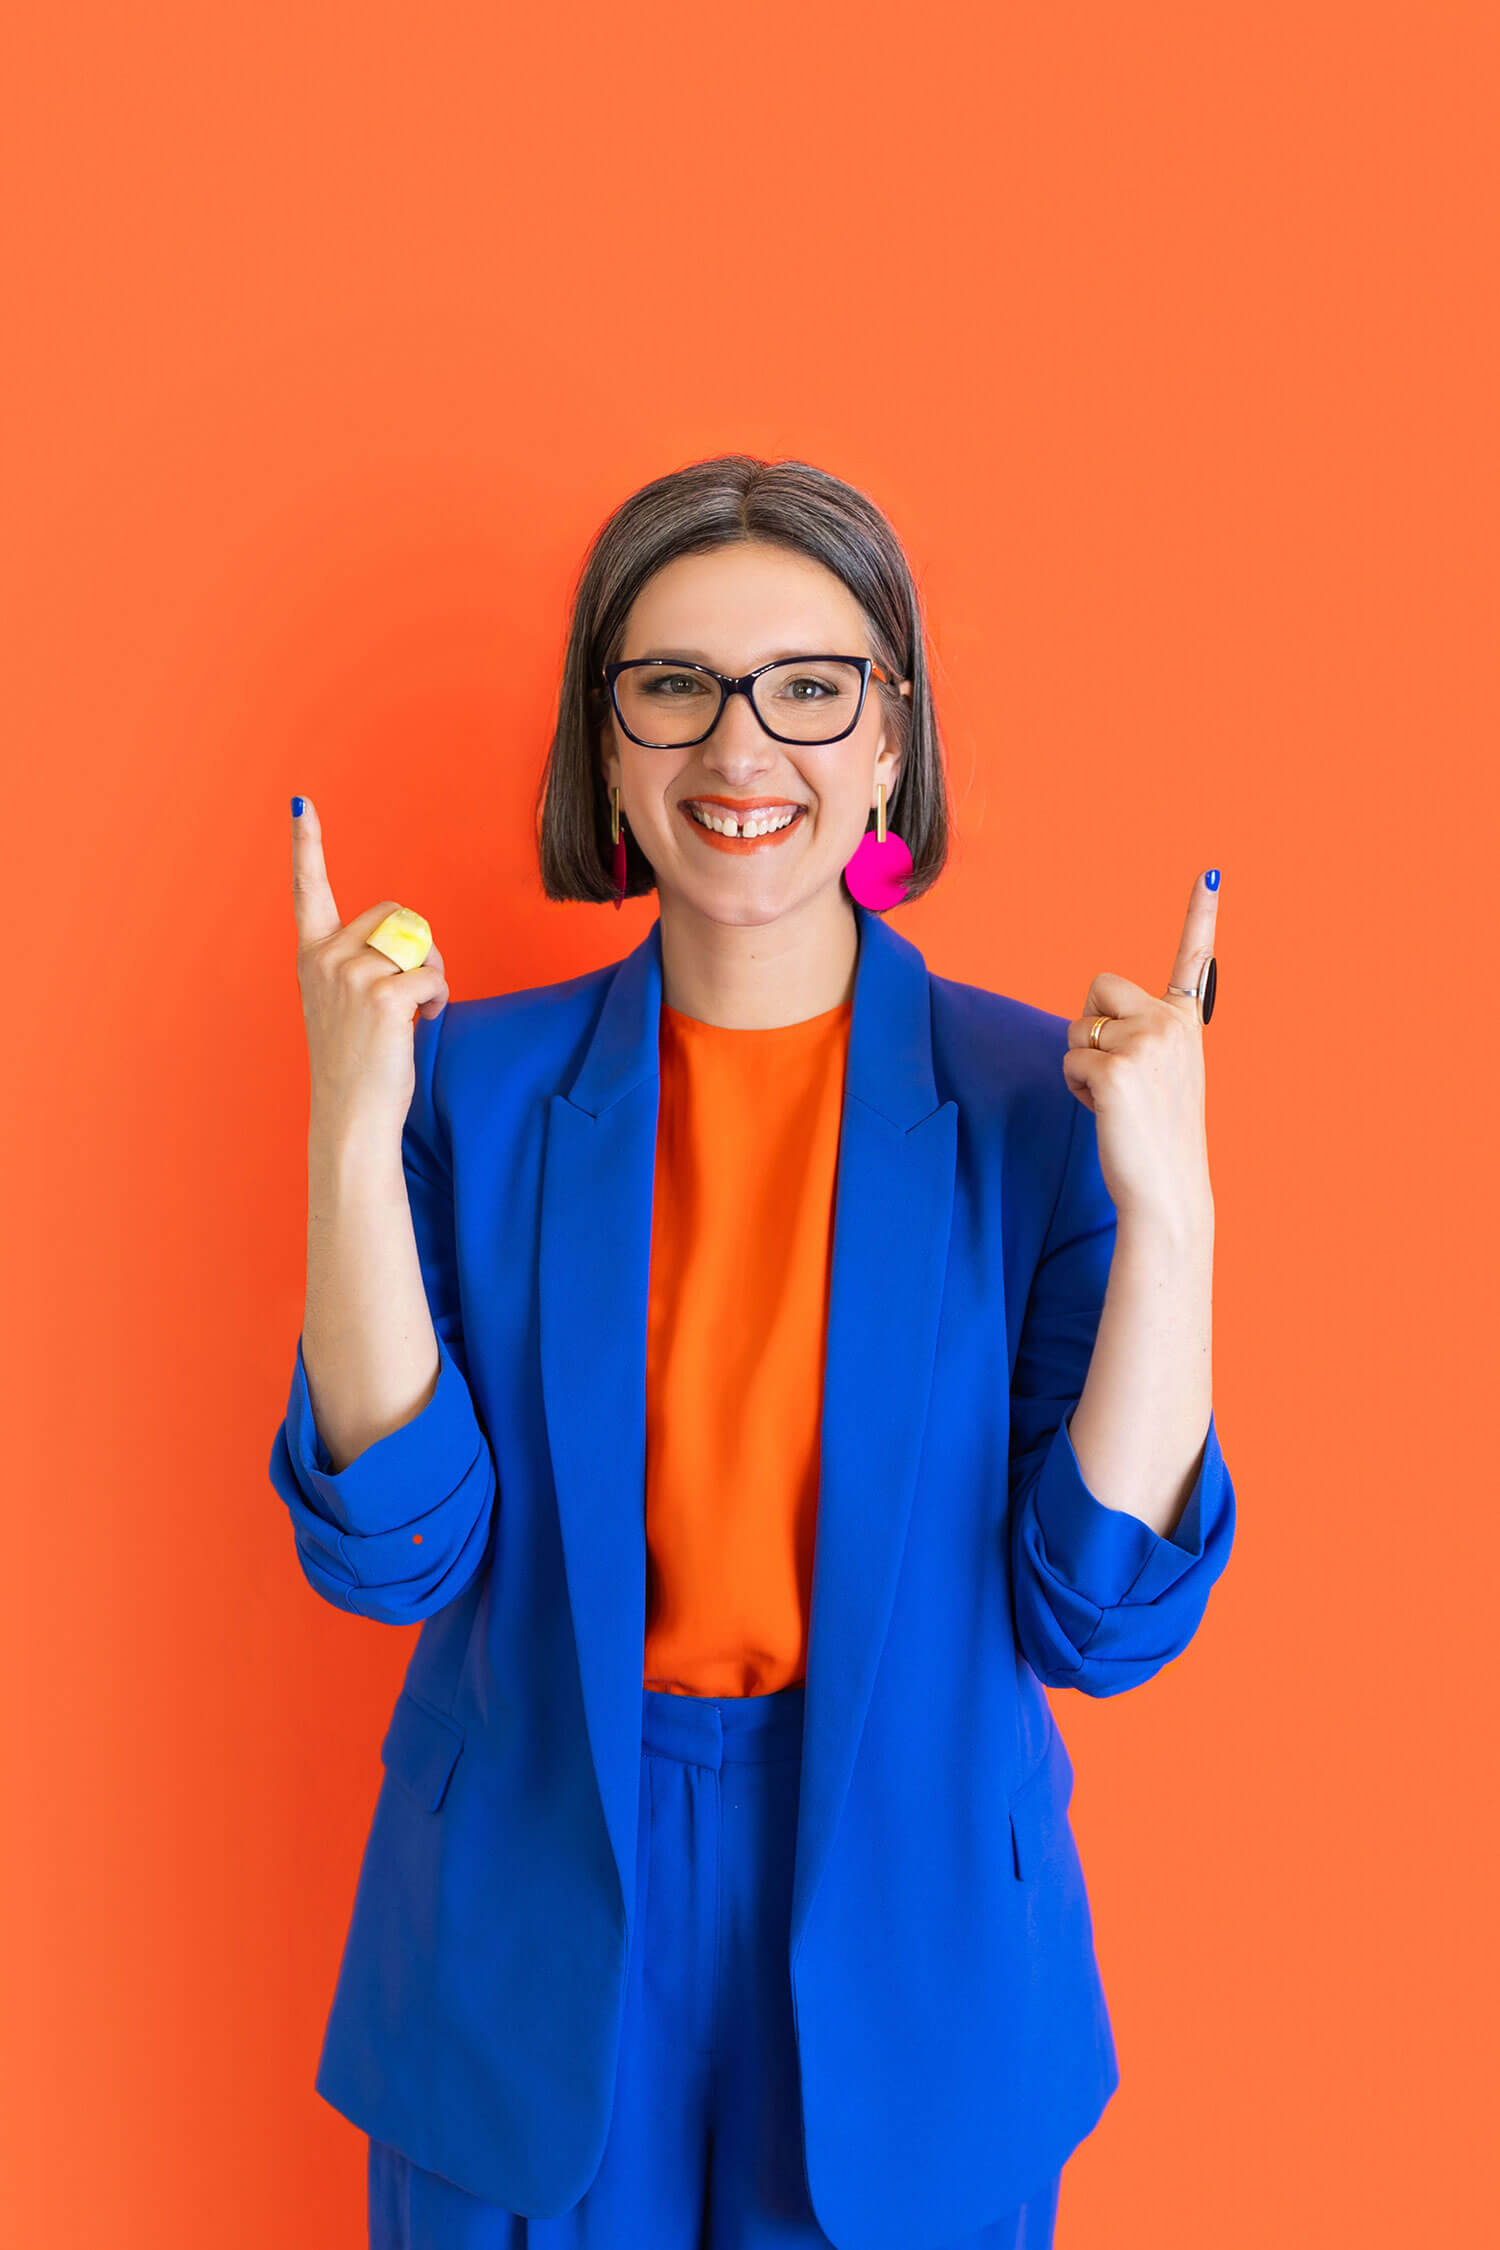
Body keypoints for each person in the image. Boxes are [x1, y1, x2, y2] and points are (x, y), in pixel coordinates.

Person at [271, 454, 1236, 2250]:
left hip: (915, 1906)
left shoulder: (1045, 1111)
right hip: (535, 1903)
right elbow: (396, 1545)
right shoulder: (468, 1093)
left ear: (890, 739)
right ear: (608, 744)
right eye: (674, 687)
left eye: (809, 687)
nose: (741, 750)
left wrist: (1169, 1211)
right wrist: (350, 1123)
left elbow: (1101, 1611)